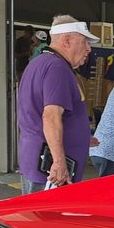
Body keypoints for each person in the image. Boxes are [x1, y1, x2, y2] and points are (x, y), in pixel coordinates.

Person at [16, 15, 100, 192]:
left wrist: (80, 135)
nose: (88, 49)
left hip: (36, 160)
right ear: (67, 40)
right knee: (45, 218)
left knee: (34, 217)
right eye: (84, 42)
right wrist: (59, 162)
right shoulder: (57, 68)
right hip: (50, 169)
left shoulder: (39, 62)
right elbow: (51, 116)